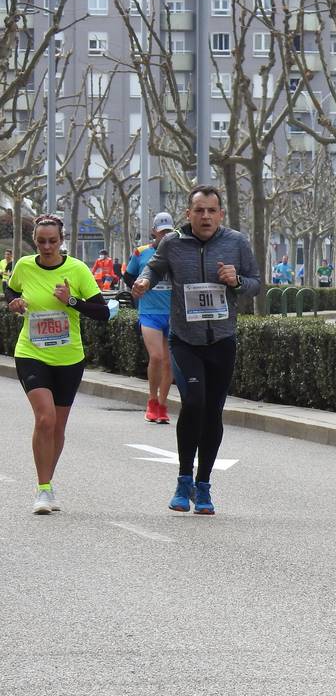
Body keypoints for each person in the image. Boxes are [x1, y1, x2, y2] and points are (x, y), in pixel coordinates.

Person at [132, 185, 260, 516]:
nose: (205, 216)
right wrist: (145, 281)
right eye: (199, 210)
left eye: (211, 211)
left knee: (213, 411)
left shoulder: (236, 243)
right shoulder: (173, 242)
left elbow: (256, 282)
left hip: (221, 339)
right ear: (188, 214)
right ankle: (183, 478)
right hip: (185, 339)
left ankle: (203, 486)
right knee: (193, 401)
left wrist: (236, 281)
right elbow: (155, 266)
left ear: (220, 214)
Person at [5, 215, 109, 515]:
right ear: (35, 241)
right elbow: (11, 290)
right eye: (41, 242)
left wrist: (71, 301)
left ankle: (47, 483)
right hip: (31, 351)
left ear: (61, 240)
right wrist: (13, 302)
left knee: (59, 425)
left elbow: (103, 313)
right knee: (45, 419)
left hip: (69, 357)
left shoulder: (76, 269)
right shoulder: (24, 265)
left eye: (52, 241)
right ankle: (43, 488)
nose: (47, 247)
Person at [124, 212, 176, 424]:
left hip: (173, 314)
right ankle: (151, 400)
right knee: (155, 356)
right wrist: (139, 290)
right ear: (154, 231)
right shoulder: (141, 252)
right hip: (150, 313)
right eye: (161, 231)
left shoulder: (179, 251)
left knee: (169, 362)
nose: (164, 236)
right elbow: (128, 275)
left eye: (168, 232)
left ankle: (163, 405)